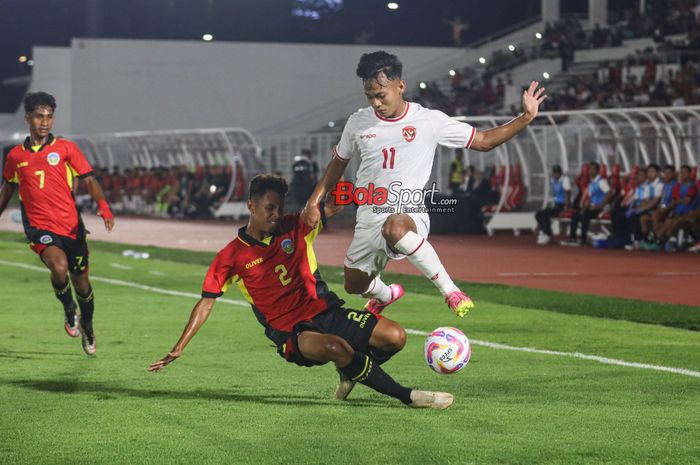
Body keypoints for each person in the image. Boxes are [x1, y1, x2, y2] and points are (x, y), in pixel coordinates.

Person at [148, 174, 453, 409]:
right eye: (269, 208)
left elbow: (333, 203)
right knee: (336, 349)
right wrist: (180, 346)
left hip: (328, 311)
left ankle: (350, 372)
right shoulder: (230, 257)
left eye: (280, 208)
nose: (276, 215)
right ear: (251, 206)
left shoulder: (297, 225)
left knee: (395, 338)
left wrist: (346, 169)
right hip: (292, 333)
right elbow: (206, 303)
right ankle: (408, 396)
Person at [300, 51, 546, 317]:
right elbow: (339, 161)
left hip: (409, 214)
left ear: (400, 86)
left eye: (381, 95)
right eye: (369, 96)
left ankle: (451, 291)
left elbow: (484, 142)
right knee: (354, 284)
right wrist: (314, 201)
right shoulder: (358, 122)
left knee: (394, 227)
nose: (376, 103)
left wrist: (525, 118)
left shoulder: (429, 121)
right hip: (368, 216)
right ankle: (387, 294)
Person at [0, 91, 114, 355]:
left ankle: (88, 325)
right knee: (58, 267)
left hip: (71, 227)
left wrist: (104, 206)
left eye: (49, 117)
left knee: (82, 284)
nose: (45, 122)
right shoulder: (15, 156)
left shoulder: (65, 148)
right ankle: (68, 308)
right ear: (28, 118)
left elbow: (88, 178)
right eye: (39, 116)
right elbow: (7, 189)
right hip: (40, 228)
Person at [561, 161, 614, 246]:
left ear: (597, 171)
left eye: (593, 169)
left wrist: (601, 205)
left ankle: (583, 240)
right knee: (575, 216)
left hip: (601, 208)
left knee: (584, 215)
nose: (590, 171)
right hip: (592, 208)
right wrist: (587, 204)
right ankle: (572, 238)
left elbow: (610, 194)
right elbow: (590, 197)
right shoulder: (591, 183)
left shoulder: (601, 181)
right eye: (590, 169)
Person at [535, 165, 571, 245]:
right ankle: (545, 232)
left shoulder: (565, 180)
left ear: (560, 173)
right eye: (554, 173)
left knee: (546, 214)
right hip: (556, 205)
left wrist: (566, 206)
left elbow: (567, 193)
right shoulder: (553, 181)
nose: (556, 175)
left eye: (557, 173)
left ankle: (547, 234)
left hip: (563, 205)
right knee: (539, 214)